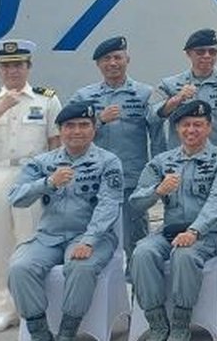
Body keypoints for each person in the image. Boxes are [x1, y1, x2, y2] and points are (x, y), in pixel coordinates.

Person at [0, 39, 63, 334]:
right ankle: (4, 311)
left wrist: (50, 182)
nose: (13, 71)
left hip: (33, 175)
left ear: (28, 67)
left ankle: (36, 308)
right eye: (6, 66)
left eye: (18, 65)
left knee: (32, 244)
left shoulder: (46, 99)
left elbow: (56, 141)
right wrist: (2, 106)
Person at [6, 102, 123, 341]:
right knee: (20, 268)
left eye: (84, 125)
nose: (77, 131)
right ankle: (39, 332)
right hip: (48, 236)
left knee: (80, 267)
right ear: (60, 130)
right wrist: (48, 182)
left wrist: (89, 240)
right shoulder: (42, 163)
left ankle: (68, 332)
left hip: (90, 237)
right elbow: (15, 198)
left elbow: (109, 204)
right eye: (70, 126)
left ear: (93, 129)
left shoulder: (108, 162)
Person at [130, 100, 217, 341]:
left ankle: (181, 323)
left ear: (209, 127)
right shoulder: (162, 161)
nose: (192, 130)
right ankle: (157, 322)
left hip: (210, 233)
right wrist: (157, 191)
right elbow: (136, 202)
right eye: (186, 125)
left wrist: (195, 232)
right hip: (169, 231)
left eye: (198, 124)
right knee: (142, 253)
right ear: (177, 129)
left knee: (185, 254)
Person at [67, 36, 158, 263]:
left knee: (136, 241)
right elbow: (69, 137)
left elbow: (157, 135)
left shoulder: (144, 93)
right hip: (93, 181)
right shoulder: (84, 97)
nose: (113, 63)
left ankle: (139, 288)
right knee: (94, 239)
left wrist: (157, 172)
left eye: (117, 57)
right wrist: (99, 121)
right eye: (106, 59)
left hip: (132, 180)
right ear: (98, 64)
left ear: (127, 59)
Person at [151, 29, 217, 160]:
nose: (207, 56)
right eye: (200, 52)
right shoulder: (170, 84)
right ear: (189, 54)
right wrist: (177, 99)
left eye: (212, 52)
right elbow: (152, 118)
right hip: (180, 161)